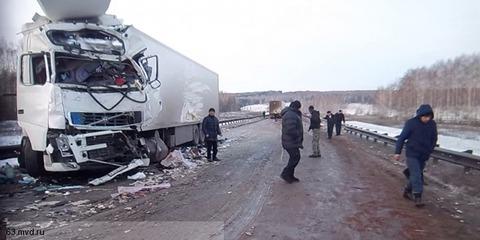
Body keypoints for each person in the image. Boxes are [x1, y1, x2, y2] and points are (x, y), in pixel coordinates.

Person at [394, 104, 437, 207]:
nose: (427, 119)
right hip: (412, 153)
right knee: (417, 175)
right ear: (420, 115)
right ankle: (418, 197)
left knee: (415, 175)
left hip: (424, 154)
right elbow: (402, 138)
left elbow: (434, 138)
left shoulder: (432, 124)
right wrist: (397, 152)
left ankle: (407, 190)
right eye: (425, 116)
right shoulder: (411, 123)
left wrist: (430, 149)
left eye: (429, 117)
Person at [280, 100, 304, 183]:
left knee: (294, 158)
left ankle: (290, 175)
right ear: (296, 107)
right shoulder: (291, 114)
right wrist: (297, 135)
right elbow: (290, 129)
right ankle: (285, 174)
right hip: (290, 141)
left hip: (291, 141)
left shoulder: (291, 113)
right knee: (295, 157)